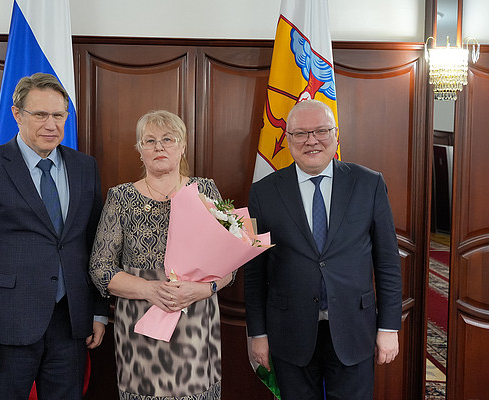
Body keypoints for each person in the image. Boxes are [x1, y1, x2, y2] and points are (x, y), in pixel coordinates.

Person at [0, 73, 109, 399]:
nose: (51, 124)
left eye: (59, 115)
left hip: (71, 324)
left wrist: (98, 310)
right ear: (17, 114)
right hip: (6, 327)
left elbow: (94, 245)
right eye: (40, 114)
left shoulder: (85, 167)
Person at [244, 99, 402, 400]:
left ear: (335, 134)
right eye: (301, 133)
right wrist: (258, 333)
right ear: (288, 139)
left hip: (355, 329)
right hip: (289, 333)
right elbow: (254, 273)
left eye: (321, 131)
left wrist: (389, 327)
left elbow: (387, 263)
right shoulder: (263, 192)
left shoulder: (368, 184)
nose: (311, 140)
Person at [89, 110, 234, 400]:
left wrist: (203, 289)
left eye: (168, 139)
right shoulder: (120, 197)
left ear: (182, 146)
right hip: (140, 323)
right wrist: (150, 290)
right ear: (139, 149)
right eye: (150, 140)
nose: (159, 147)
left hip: (195, 322)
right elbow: (100, 268)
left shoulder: (205, 190)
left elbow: (230, 263)